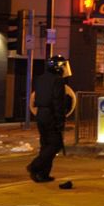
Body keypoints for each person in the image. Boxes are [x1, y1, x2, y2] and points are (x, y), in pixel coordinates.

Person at [27, 55, 70, 183]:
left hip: (41, 113)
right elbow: (57, 101)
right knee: (55, 144)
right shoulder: (58, 81)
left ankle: (43, 174)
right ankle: (35, 166)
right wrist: (60, 120)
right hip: (51, 114)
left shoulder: (41, 79)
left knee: (45, 144)